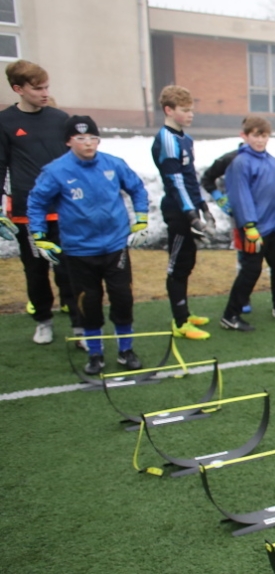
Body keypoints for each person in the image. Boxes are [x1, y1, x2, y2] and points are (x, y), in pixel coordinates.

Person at [25, 116, 149, 375]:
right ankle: (95, 353)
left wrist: (141, 218)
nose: (88, 143)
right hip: (79, 250)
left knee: (123, 297)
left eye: (92, 137)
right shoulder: (56, 171)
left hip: (115, 247)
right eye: (81, 138)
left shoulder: (113, 164)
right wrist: (39, 235)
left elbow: (137, 188)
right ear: (69, 141)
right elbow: (37, 202)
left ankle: (126, 350)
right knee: (88, 302)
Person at [0, 60, 81, 345]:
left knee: (68, 269)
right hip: (28, 213)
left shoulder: (60, 119)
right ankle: (43, 321)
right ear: (18, 89)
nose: (44, 93)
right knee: (35, 270)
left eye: (47, 87)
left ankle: (80, 326)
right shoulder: (5, 122)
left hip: (64, 210)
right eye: (37, 89)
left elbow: (76, 162)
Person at [201, 127, 275, 318]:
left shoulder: (270, 160)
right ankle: (234, 311)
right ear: (244, 135)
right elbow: (216, 183)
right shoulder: (235, 161)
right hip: (249, 223)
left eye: (264, 135)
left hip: (273, 222)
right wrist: (223, 201)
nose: (260, 140)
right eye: (255, 135)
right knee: (250, 268)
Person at [152, 85, 213, 341]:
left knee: (187, 262)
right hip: (177, 212)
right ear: (169, 110)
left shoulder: (185, 139)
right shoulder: (165, 139)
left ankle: (185, 313)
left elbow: (190, 178)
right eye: (185, 110)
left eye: (191, 110)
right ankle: (179, 322)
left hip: (190, 207)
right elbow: (175, 183)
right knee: (176, 265)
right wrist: (190, 215)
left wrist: (204, 207)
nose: (190, 115)